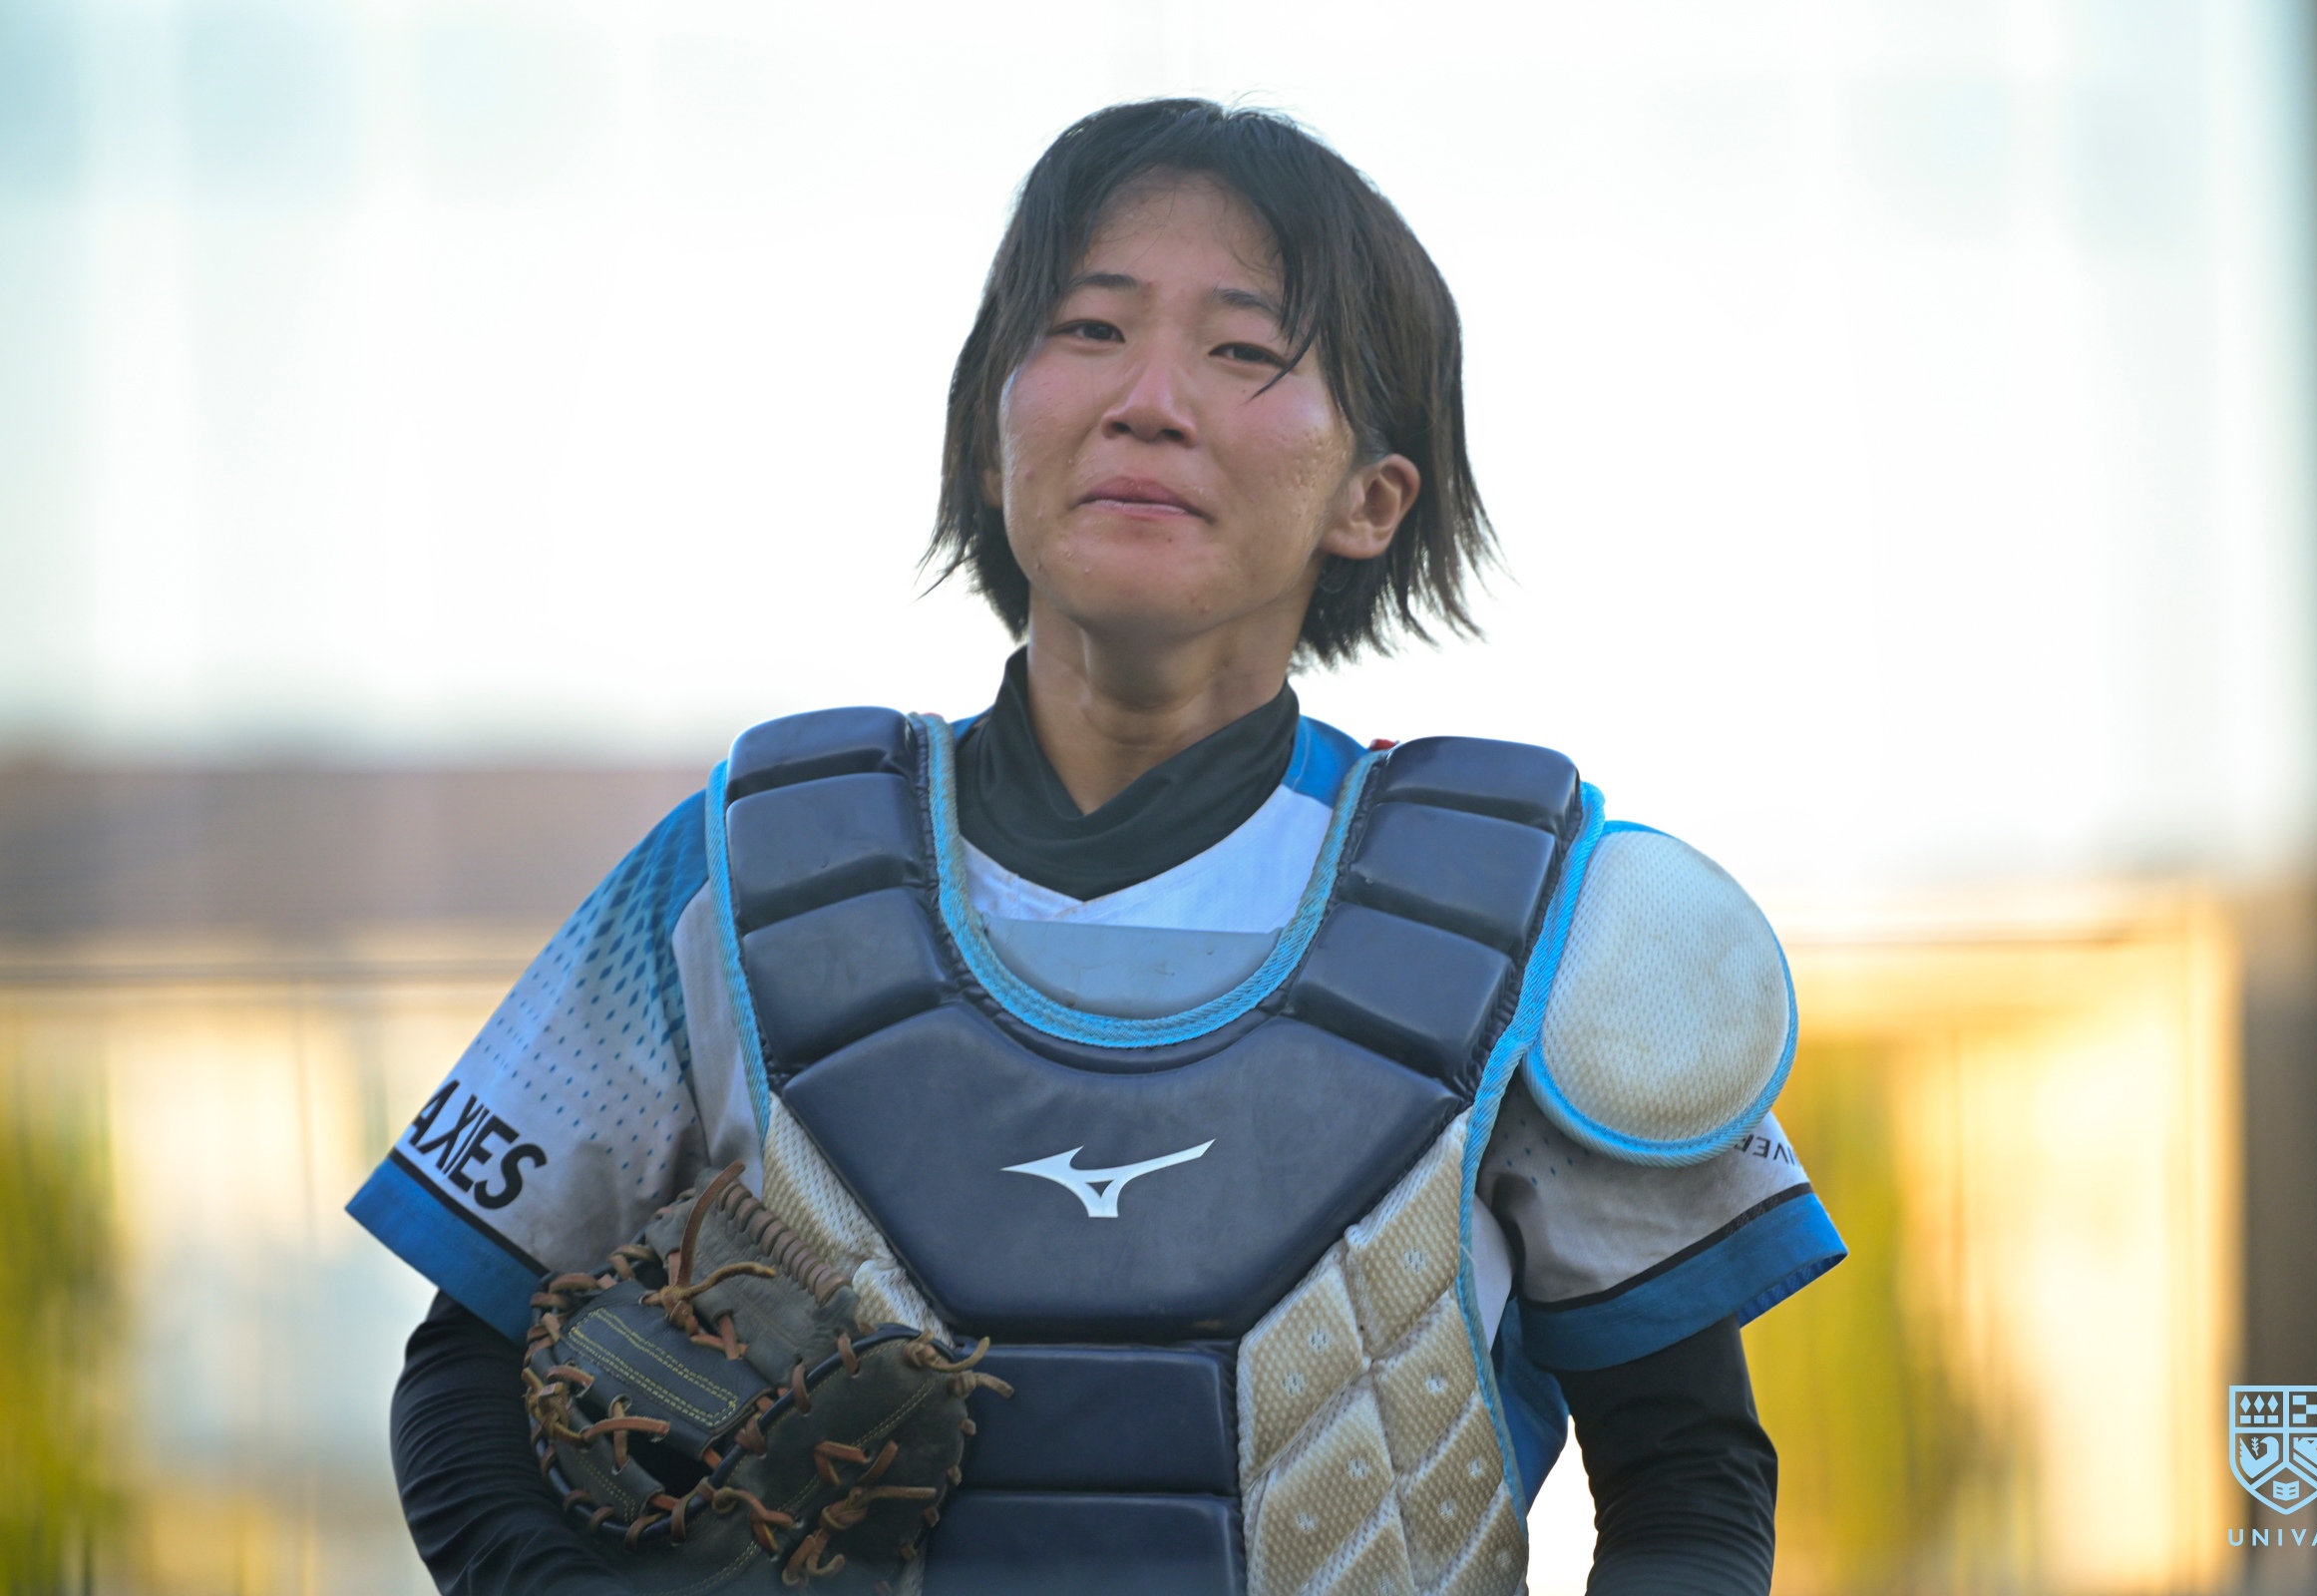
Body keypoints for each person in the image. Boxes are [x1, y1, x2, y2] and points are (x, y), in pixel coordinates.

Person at [348, 99, 1845, 1596]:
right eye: (1088, 330)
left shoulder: (1539, 914)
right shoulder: (741, 873)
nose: (1149, 399)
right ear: (990, 438)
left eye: (1243, 350)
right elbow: (467, 1383)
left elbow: (1689, 1478)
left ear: (1371, 496)